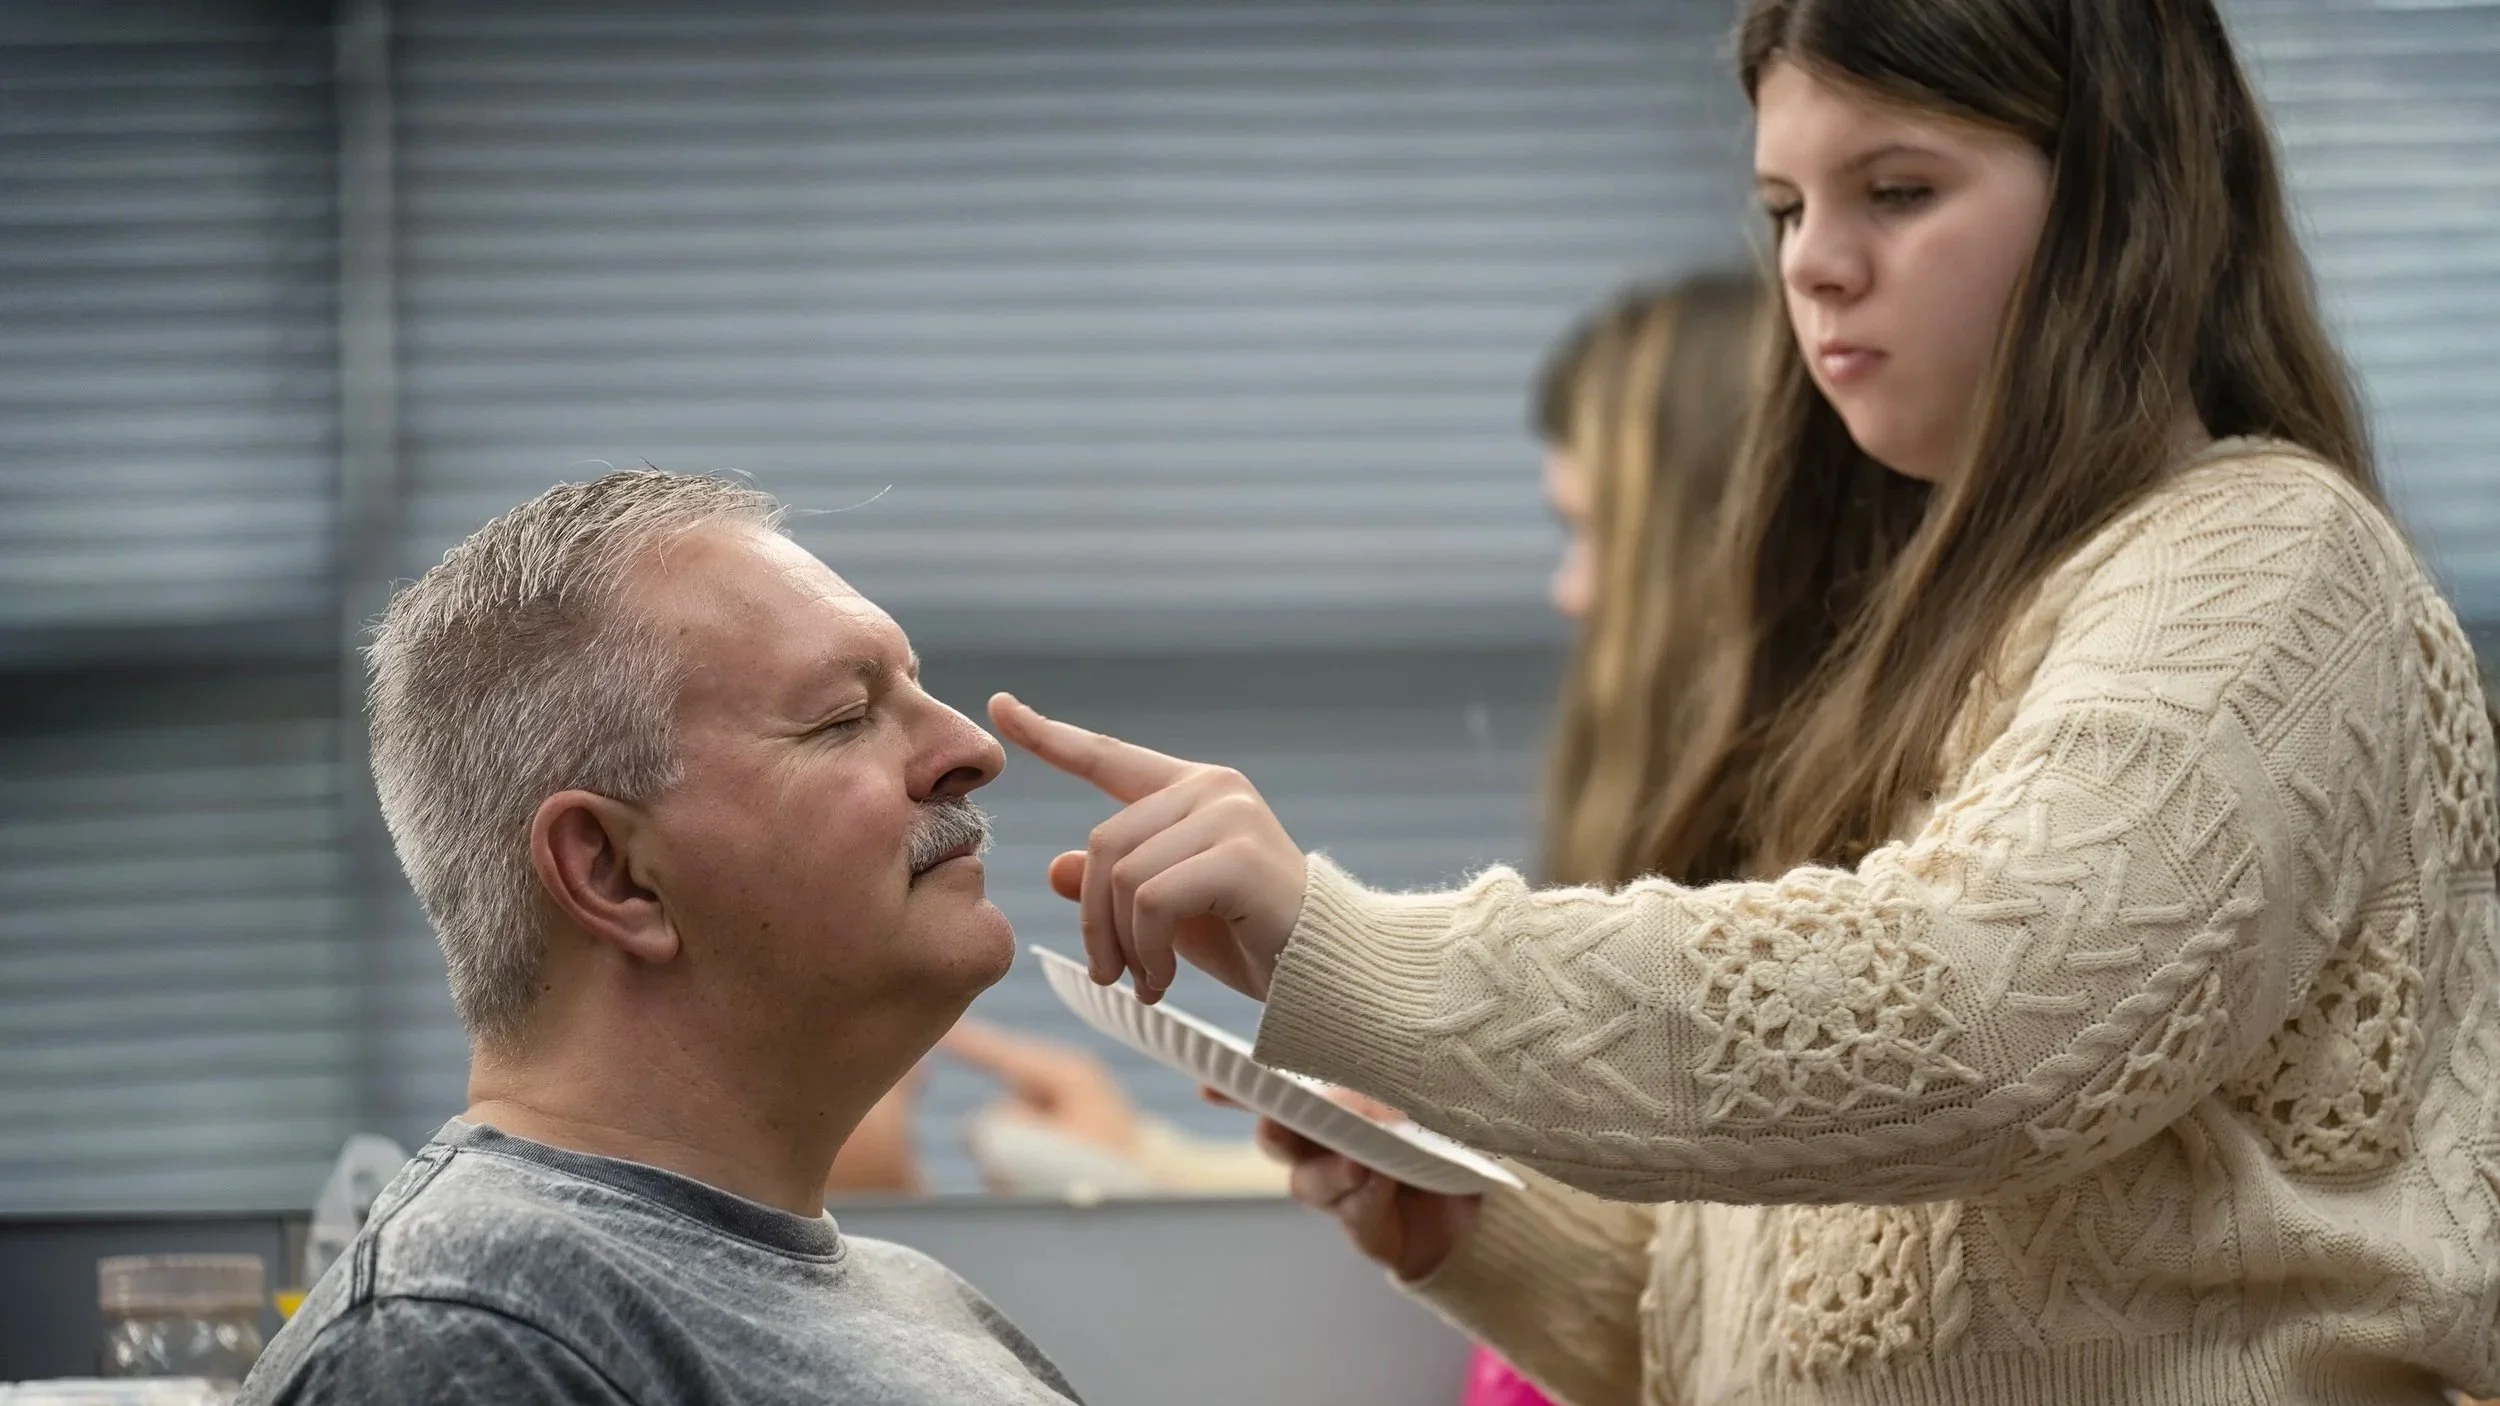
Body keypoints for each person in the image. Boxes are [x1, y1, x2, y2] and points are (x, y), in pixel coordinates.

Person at [986, 0, 2500, 1401]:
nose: (1814, 263)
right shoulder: (1956, 624)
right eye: (1785, 208)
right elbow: (1785, 1329)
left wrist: (1362, 949)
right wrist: (1469, 1226)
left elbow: (1977, 1019)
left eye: (1895, 191)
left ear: (2124, 201)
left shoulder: (2265, 560)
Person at [240, 471, 1082, 1404]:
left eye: (916, 692)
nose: (974, 749)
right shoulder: (463, 1336)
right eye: (845, 718)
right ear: (613, 873)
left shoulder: (925, 1301)